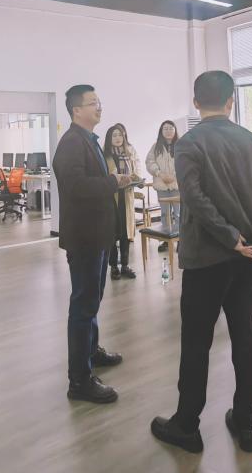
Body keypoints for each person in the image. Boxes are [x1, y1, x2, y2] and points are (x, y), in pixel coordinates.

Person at [150, 71, 252, 455]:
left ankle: (186, 425)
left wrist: (228, 236)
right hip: (249, 257)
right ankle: (246, 422)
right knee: (246, 334)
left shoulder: (189, 143)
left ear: (196, 103)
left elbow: (193, 197)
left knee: (196, 341)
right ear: (231, 101)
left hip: (207, 258)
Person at [52, 84, 134, 404]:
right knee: (83, 306)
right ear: (76, 110)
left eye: (99, 102)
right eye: (93, 103)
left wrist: (116, 182)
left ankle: (91, 352)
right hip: (85, 238)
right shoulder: (72, 143)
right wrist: (113, 181)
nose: (99, 107)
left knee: (92, 300)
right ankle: (79, 380)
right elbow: (76, 188)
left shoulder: (89, 139)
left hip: (98, 236)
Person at [104, 123, 141, 280]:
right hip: (111, 197)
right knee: (113, 233)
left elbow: (137, 169)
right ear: (109, 138)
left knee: (126, 233)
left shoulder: (130, 152)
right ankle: (113, 266)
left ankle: (125, 265)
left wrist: (134, 178)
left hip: (126, 196)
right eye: (114, 135)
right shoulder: (105, 155)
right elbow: (103, 176)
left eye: (120, 135)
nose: (118, 138)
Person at [146, 120, 180, 249]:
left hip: (176, 185)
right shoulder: (156, 146)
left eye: (171, 128)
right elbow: (149, 162)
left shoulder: (181, 145)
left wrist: (173, 176)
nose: (168, 131)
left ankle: (180, 239)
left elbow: (184, 162)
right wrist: (160, 173)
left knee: (178, 214)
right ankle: (165, 239)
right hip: (161, 185)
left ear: (175, 130)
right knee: (165, 213)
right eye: (165, 128)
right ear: (161, 131)